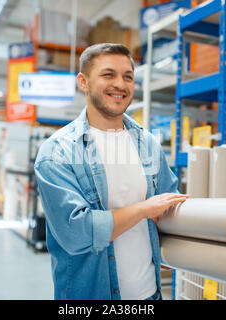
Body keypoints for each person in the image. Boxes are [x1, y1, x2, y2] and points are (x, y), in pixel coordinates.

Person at [34, 43, 188, 300]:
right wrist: (143, 209)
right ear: (83, 82)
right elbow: (76, 232)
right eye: (108, 75)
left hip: (149, 294)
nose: (121, 84)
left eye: (128, 76)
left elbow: (170, 204)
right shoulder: (56, 153)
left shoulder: (147, 143)